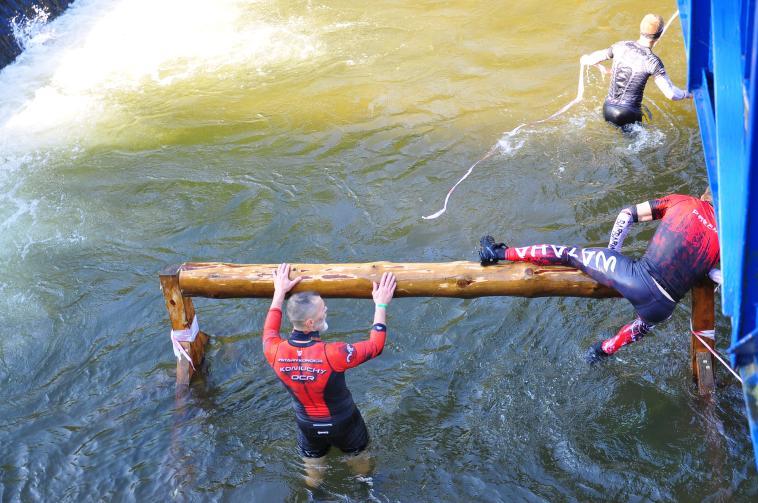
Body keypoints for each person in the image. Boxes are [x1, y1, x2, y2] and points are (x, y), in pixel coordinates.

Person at [478, 190, 719, 362]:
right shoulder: (728, 238)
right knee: (642, 325)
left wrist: (612, 254)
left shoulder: (683, 202)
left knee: (569, 254)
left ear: (705, 194)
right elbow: (718, 276)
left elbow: (627, 215)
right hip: (663, 308)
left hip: (636, 279)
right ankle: (602, 351)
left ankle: (498, 252)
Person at [262, 263, 397, 487]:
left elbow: (270, 328)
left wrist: (279, 292)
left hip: (307, 426)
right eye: (322, 309)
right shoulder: (334, 354)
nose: (326, 310)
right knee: (364, 477)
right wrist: (381, 303)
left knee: (313, 484)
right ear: (310, 323)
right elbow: (376, 345)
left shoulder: (273, 350)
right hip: (345, 424)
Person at [580, 13, 692, 127]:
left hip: (608, 108)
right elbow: (671, 94)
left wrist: (601, 68)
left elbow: (591, 60)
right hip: (629, 113)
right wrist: (687, 94)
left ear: (640, 30)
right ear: (659, 35)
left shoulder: (620, 46)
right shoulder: (653, 62)